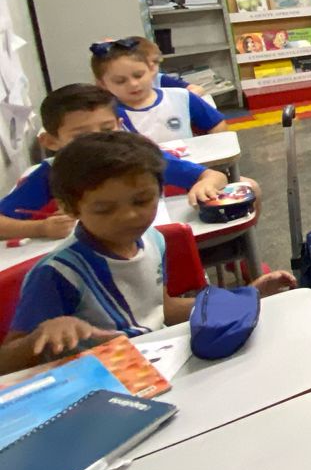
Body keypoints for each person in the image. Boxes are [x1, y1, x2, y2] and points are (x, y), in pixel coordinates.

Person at [0, 132, 295, 374]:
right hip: (104, 383)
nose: (129, 216)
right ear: (70, 208)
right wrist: (40, 335)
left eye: (142, 201)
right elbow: (6, 364)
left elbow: (162, 309)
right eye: (104, 209)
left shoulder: (153, 240)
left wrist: (242, 298)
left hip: (159, 364)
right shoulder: (57, 274)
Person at [0, 85, 247, 242]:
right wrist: (40, 229)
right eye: (81, 135)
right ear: (50, 141)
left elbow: (213, 176)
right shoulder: (51, 174)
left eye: (107, 129)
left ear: (119, 125)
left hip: (156, 245)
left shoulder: (137, 157)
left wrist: (204, 185)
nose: (98, 140)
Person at [92, 38, 225, 142]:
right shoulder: (107, 114)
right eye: (120, 81)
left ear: (151, 70)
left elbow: (217, 125)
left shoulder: (181, 97)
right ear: (102, 84)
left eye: (138, 75)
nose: (133, 84)